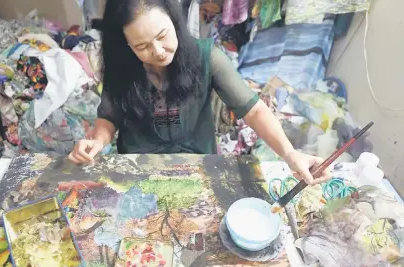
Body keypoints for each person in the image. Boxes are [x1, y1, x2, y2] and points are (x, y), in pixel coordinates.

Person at [69, 0, 330, 185]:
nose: (158, 51)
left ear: (175, 22)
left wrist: (289, 153)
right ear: (126, 45)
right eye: (142, 46)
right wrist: (97, 141)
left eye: (163, 36)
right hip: (139, 167)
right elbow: (109, 117)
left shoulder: (208, 57)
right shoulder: (121, 65)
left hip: (199, 166)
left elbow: (254, 110)